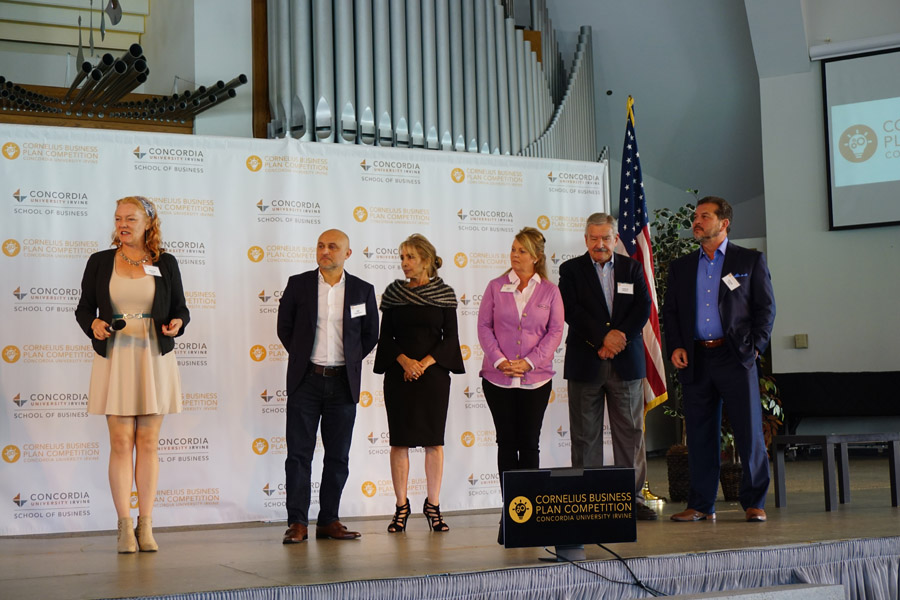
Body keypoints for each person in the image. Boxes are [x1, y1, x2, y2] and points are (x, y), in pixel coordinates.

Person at [75, 196, 189, 553]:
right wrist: (93, 324)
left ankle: (146, 524)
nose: (122, 225)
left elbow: (181, 309)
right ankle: (124, 525)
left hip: (153, 356)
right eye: (118, 218)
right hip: (116, 356)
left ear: (148, 223)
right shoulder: (99, 261)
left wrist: (177, 323)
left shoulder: (165, 262)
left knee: (149, 442)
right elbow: (84, 309)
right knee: (121, 441)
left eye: (131, 219)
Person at [662, 196, 775, 523]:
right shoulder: (682, 266)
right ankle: (701, 504)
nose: (696, 222)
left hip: (735, 356)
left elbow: (765, 309)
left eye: (705, 216)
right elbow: (671, 312)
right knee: (699, 435)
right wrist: (676, 346)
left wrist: (755, 348)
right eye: (696, 217)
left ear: (724, 223)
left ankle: (754, 502)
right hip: (696, 358)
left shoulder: (749, 260)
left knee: (748, 432)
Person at [277, 229, 379, 543]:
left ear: (347, 253)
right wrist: (305, 359)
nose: (325, 251)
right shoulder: (298, 284)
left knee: (338, 456)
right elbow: (285, 328)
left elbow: (370, 335)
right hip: (305, 381)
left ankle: (328, 520)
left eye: (332, 247)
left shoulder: (362, 290)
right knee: (299, 455)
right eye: (320, 245)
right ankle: (297, 523)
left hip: (343, 385)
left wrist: (348, 361)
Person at [558, 212, 657, 521]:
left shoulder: (632, 267)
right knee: (585, 437)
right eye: (593, 238)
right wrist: (604, 338)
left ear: (615, 239)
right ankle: (590, 500)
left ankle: (632, 499)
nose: (599, 244)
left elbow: (643, 307)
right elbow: (571, 310)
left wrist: (618, 338)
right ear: (585, 239)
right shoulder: (570, 270)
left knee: (630, 434)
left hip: (625, 363)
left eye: (605, 238)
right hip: (586, 362)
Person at [477, 227, 564, 543]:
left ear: (536, 257)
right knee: (506, 443)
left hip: (535, 380)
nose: (515, 255)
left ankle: (530, 512)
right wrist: (500, 360)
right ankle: (511, 512)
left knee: (528, 445)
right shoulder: (495, 286)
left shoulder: (550, 291)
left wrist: (529, 362)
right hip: (497, 379)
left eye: (522, 251)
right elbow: (484, 327)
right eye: (513, 249)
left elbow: (555, 332)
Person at [373, 234, 464, 533]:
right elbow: (385, 338)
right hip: (399, 376)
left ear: (425, 259)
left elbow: (450, 338)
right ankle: (401, 506)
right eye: (402, 257)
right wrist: (405, 362)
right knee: (399, 442)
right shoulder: (394, 293)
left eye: (410, 257)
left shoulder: (444, 293)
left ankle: (433, 505)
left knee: (433, 442)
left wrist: (423, 364)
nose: (404, 263)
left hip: (433, 376)